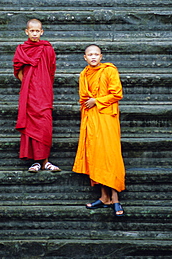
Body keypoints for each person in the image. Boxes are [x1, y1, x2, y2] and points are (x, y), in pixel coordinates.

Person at [72, 44, 125, 217]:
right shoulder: (83, 75)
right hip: (91, 120)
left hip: (107, 118)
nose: (93, 57)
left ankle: (115, 198)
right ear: (84, 57)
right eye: (90, 54)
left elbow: (116, 93)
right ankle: (104, 197)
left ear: (101, 56)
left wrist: (97, 100)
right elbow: (83, 99)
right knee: (96, 156)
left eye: (96, 54)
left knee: (110, 156)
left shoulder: (109, 71)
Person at [12, 19, 61, 173]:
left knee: (45, 125)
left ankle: (45, 161)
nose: (34, 33)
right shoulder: (22, 49)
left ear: (42, 32)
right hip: (29, 93)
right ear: (26, 32)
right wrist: (28, 83)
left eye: (37, 31)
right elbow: (18, 70)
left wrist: (43, 84)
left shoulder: (47, 48)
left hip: (44, 91)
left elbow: (51, 69)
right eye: (31, 31)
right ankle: (35, 162)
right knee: (31, 125)